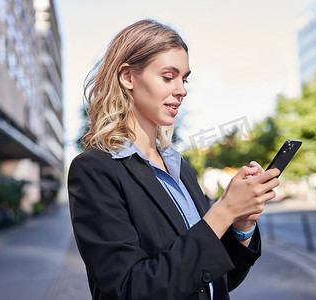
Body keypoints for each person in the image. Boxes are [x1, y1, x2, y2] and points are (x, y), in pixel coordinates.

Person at [68, 19, 280, 300]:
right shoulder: (95, 169)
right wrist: (223, 212)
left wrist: (241, 224)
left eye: (185, 79)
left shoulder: (179, 167)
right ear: (128, 77)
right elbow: (130, 289)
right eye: (168, 77)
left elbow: (215, 279)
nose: (182, 90)